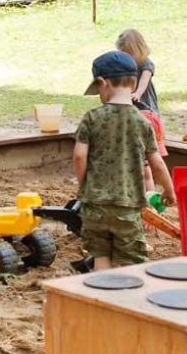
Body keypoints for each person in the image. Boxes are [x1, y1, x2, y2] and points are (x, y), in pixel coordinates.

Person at [74, 51, 175, 270]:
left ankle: (101, 295)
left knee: (100, 255)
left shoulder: (91, 118)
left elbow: (79, 155)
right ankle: (119, 298)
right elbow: (156, 162)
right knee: (128, 261)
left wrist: (84, 186)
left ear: (103, 83)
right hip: (127, 208)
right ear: (134, 82)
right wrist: (169, 190)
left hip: (95, 207)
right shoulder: (142, 122)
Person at [115, 29, 164, 148]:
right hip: (131, 107)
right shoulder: (124, 64)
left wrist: (138, 93)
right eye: (124, 53)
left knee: (148, 130)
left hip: (146, 106)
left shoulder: (145, 62)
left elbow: (144, 80)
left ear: (139, 49)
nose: (127, 57)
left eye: (130, 53)